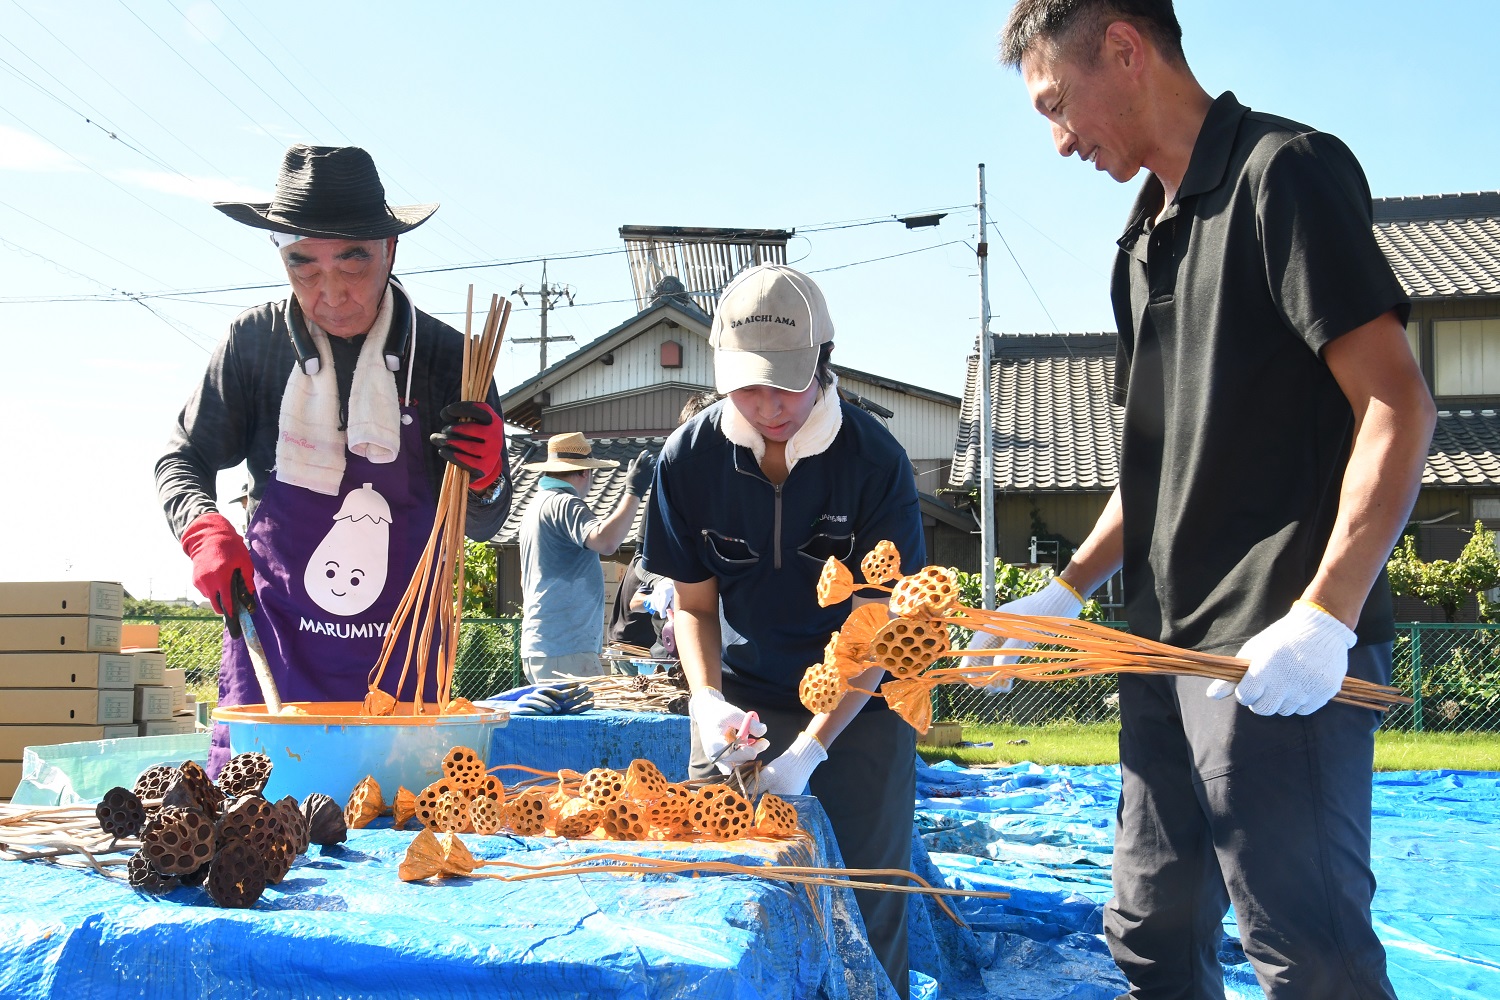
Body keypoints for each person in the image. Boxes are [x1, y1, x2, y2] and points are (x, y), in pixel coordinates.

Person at [994, 3, 1436, 998]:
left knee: (1307, 954)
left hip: (1277, 650)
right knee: (1149, 932)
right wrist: (1064, 591)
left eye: (1058, 106)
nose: (1060, 143)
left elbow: (1397, 402)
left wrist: (1326, 615)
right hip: (1156, 650)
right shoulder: (1141, 241)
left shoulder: (1282, 174)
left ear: (1123, 46)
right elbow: (1151, 468)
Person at [157, 146, 513, 774]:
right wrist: (201, 529)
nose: (331, 291)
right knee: (258, 829)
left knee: (400, 828)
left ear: (390, 251)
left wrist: (487, 477)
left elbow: (482, 524)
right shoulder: (255, 343)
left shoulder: (449, 358)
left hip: (403, 665)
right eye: (303, 264)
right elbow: (181, 457)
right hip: (275, 643)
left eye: (352, 259)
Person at [643, 264, 925, 997]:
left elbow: (881, 630)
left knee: (867, 898)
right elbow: (697, 607)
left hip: (861, 708)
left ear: (823, 361)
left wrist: (812, 748)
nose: (767, 405)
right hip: (743, 702)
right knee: (720, 887)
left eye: (786, 384)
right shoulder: (690, 458)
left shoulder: (874, 463)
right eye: (746, 385)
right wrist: (706, 701)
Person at [518, 432, 654, 682]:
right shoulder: (564, 503)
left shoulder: (537, 505)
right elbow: (607, 541)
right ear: (584, 472)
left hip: (546, 645)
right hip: (565, 647)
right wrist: (634, 491)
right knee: (588, 720)